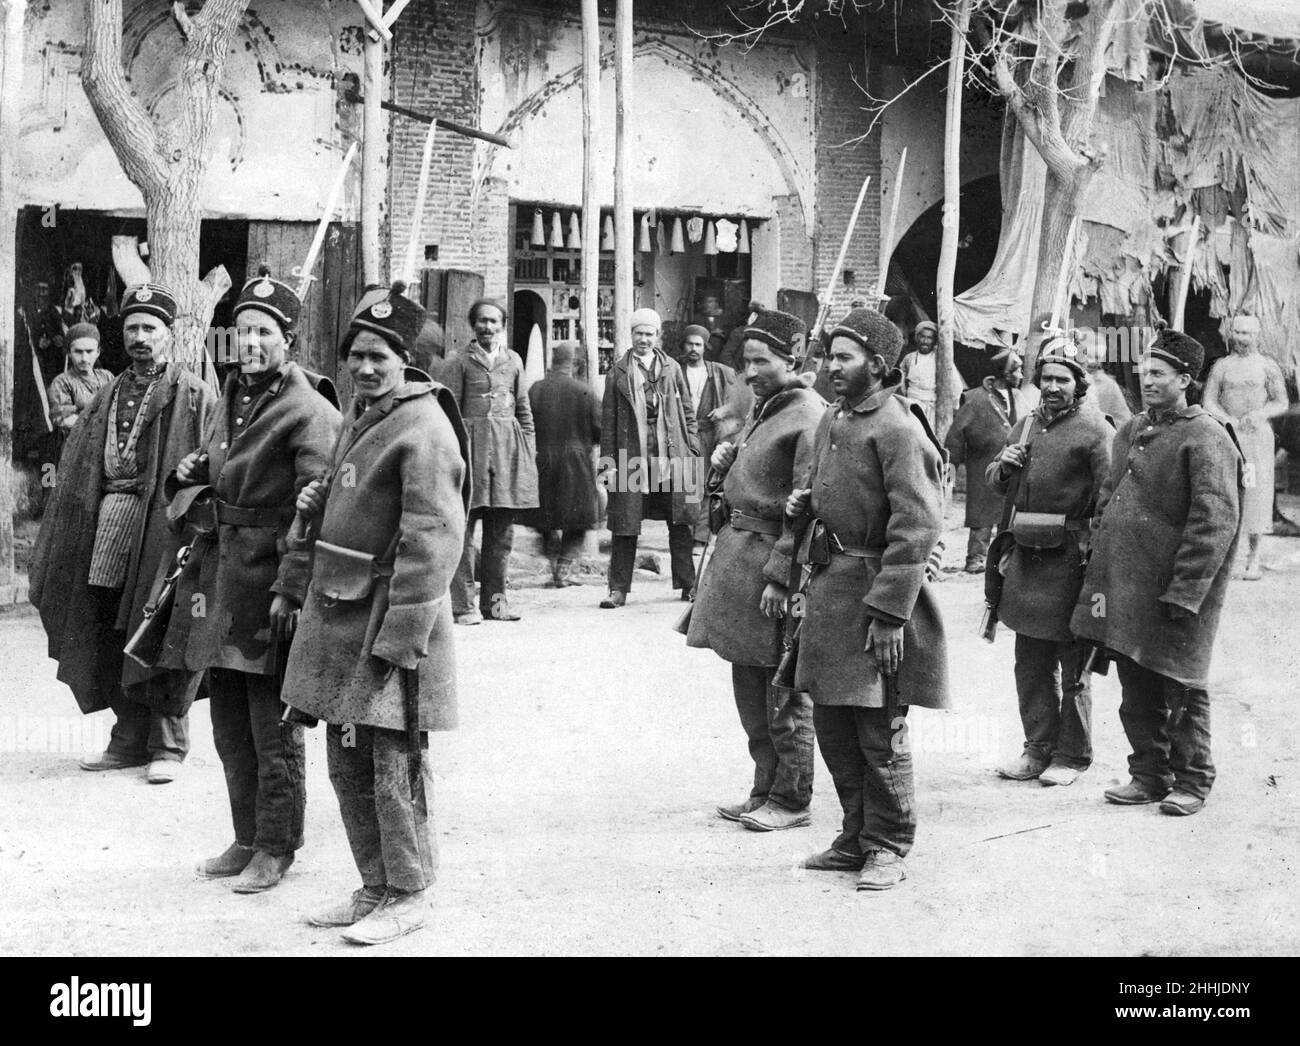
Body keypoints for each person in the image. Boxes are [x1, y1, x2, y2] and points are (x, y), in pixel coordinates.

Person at [283, 284, 470, 944]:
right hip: (340, 621)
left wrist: (403, 637)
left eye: (379, 359)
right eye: (356, 356)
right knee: (347, 761)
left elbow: (433, 537)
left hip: (391, 628)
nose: (363, 369)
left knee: (394, 767)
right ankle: (374, 886)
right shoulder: (364, 418)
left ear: (407, 364)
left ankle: (411, 892)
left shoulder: (424, 429)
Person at [159, 268, 341, 893]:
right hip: (221, 583)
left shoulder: (309, 410)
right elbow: (216, 467)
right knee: (229, 724)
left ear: (287, 338)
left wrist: (291, 589)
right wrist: (193, 469)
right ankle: (244, 837)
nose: (252, 342)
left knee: (275, 728)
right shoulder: (230, 396)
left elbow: (312, 513)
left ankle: (276, 846)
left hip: (270, 588)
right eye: (242, 331)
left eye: (265, 331)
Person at [781, 307, 949, 890]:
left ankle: (888, 845)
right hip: (828, 593)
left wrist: (888, 614)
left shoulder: (898, 428)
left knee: (879, 730)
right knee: (832, 723)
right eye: (829, 355)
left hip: (876, 599)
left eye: (844, 356)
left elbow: (917, 524)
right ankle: (854, 836)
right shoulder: (833, 418)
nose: (830, 366)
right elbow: (818, 499)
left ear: (878, 366)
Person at [29, 283, 215, 783]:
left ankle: (168, 745)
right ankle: (127, 737)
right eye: (132, 327)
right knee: (108, 621)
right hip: (107, 519)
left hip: (162, 526)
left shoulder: (193, 393)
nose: (139, 337)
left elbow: (212, 467)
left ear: (169, 336)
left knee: (160, 624)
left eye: (149, 328)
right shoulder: (107, 392)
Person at [1071, 325, 1242, 816]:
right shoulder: (1131, 428)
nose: (1147, 380)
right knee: (1135, 685)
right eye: (1144, 372)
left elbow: (1214, 522)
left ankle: (1192, 779)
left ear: (1186, 379)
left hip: (1176, 592)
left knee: (1181, 683)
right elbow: (1108, 496)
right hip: (1126, 585)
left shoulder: (1206, 436)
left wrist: (1186, 592)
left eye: (1159, 373)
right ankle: (1148, 774)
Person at [687, 309, 825, 831]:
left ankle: (792, 799)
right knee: (749, 681)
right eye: (745, 362)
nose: (748, 372)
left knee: (782, 687)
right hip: (739, 562)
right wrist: (724, 466)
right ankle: (763, 787)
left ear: (794, 358)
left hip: (771, 569)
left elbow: (806, 504)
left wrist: (781, 575)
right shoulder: (767, 409)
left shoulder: (808, 415)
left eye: (761, 361)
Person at [986, 337, 1113, 787]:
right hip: (1026, 558)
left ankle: (1072, 755)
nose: (1053, 387)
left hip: (1071, 560)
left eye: (1063, 379)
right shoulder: (1026, 425)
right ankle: (1037, 747)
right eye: (1046, 378)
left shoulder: (1097, 429)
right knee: (1030, 660)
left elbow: (1108, 498)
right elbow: (997, 484)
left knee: (1073, 662)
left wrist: (1097, 561)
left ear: (1079, 384)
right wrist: (1005, 463)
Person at [439, 297, 538, 623]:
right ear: (473, 324)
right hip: (470, 455)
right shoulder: (458, 360)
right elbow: (448, 411)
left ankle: (496, 605)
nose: (488, 327)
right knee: (463, 535)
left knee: (501, 537)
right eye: (482, 321)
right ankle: (463, 606)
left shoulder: (513, 360)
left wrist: (527, 451)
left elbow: (523, 409)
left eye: (494, 321)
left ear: (502, 326)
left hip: (507, 457)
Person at [598, 307, 701, 608]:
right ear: (631, 336)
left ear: (658, 336)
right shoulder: (617, 373)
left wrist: (692, 447)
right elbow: (608, 424)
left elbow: (688, 412)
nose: (644, 339)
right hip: (633, 458)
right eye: (639, 333)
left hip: (673, 456)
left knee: (680, 521)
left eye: (649, 334)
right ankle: (618, 590)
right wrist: (607, 467)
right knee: (625, 525)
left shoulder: (672, 368)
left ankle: (688, 584)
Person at [1201, 314, 1287, 580]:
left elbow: (1281, 402)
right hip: (1228, 437)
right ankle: (1224, 559)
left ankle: (1254, 557)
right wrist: (1225, 418)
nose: (1240, 338)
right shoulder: (1222, 366)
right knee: (1225, 492)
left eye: (1246, 333)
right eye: (1237, 332)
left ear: (1257, 335)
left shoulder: (1267, 366)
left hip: (1255, 439)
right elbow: (1209, 401)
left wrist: (1260, 414)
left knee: (1255, 495)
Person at [944, 348, 1038, 572]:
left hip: (1011, 465)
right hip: (982, 464)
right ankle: (975, 558)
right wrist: (951, 469)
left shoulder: (1017, 397)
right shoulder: (974, 398)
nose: (1021, 376)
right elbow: (955, 436)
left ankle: (1004, 557)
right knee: (981, 513)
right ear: (1004, 374)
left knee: (1008, 511)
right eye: (1016, 371)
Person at [521, 341, 601, 587]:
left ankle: (555, 557)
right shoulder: (584, 391)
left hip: (542, 459)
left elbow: (525, 422)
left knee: (543, 518)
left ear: (552, 362)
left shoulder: (536, 389)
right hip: (575, 462)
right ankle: (564, 566)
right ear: (575, 364)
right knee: (579, 518)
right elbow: (599, 430)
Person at [47, 322, 113, 441]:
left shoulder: (107, 377)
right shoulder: (62, 382)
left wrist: (79, 409)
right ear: (69, 353)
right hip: (76, 446)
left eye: (89, 351)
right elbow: (63, 420)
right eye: (78, 352)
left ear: (98, 352)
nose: (84, 358)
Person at [899, 320, 963, 427]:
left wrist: (954, 406)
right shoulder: (908, 359)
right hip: (911, 406)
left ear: (934, 341)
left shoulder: (941, 359)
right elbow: (901, 384)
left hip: (932, 409)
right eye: (922, 337)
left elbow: (956, 385)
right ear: (916, 338)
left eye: (929, 338)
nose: (925, 341)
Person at [1077, 328, 1132, 426]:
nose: (1092, 361)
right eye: (1088, 356)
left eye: (1097, 357)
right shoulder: (1065, 379)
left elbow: (1123, 421)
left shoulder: (1108, 385)